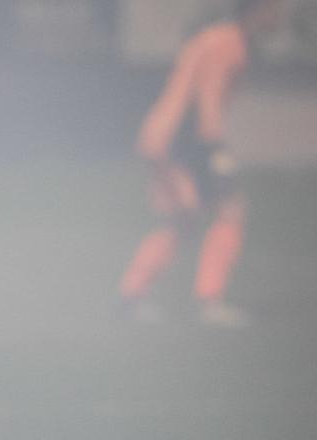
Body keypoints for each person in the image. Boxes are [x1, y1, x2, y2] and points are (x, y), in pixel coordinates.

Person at [120, 0, 285, 327]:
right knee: (229, 211)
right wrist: (216, 151)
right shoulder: (229, 43)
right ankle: (209, 302)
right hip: (184, 142)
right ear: (258, 10)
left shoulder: (218, 37)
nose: (278, 16)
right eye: (273, 8)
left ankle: (131, 297)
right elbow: (206, 98)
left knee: (182, 220)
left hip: (166, 138)